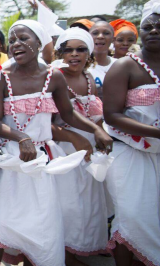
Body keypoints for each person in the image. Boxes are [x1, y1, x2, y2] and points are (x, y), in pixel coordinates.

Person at [0, 20, 112, 266]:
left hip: (44, 158)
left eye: (24, 38)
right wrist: (21, 138)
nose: (16, 44)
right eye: (12, 41)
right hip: (13, 158)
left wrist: (95, 130)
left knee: (44, 221)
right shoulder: (1, 77)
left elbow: (67, 114)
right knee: (7, 220)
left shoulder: (53, 76)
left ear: (39, 43)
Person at [102, 0, 160, 266]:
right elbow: (111, 115)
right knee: (132, 216)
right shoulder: (125, 66)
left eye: (159, 26)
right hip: (129, 152)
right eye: (148, 27)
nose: (154, 31)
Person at [50, 28, 110, 265]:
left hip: (90, 149)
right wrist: (74, 139)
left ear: (90, 52)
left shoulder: (89, 78)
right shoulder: (53, 76)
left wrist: (100, 133)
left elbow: (95, 115)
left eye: (81, 49)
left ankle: (83, 246)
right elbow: (43, 124)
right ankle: (64, 251)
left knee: (90, 202)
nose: (74, 54)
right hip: (64, 148)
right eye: (68, 49)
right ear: (60, 52)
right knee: (69, 203)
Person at [88, 21, 117, 100]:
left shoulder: (119, 65)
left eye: (106, 33)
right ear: (88, 37)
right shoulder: (80, 66)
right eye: (95, 33)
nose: (100, 36)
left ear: (113, 39)